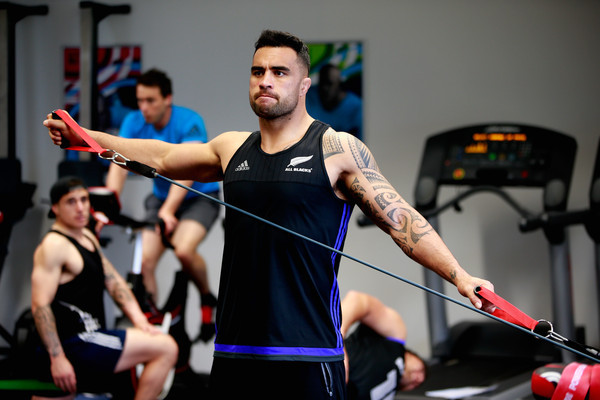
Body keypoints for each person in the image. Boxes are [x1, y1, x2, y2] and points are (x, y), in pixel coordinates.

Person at [44, 29, 496, 400]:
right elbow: (162, 157)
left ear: (303, 85)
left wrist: (459, 275)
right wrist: (86, 135)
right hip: (234, 350)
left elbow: (402, 221)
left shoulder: (336, 149)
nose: (266, 80)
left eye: (280, 72)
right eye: (258, 71)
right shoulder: (230, 147)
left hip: (307, 351)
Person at [30, 176, 178, 400]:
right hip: (73, 343)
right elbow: (40, 305)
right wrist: (57, 358)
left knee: (164, 346)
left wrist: (140, 321)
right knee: (166, 348)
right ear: (55, 208)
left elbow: (113, 281)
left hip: (87, 339)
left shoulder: (86, 236)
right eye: (71, 202)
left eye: (84, 200)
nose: (81, 208)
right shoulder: (53, 246)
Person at [102, 68, 220, 343]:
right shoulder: (133, 121)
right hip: (159, 198)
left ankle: (206, 297)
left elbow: (189, 169)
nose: (144, 108)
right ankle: (152, 323)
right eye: (140, 100)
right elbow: (118, 164)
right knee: (144, 262)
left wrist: (169, 210)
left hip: (197, 196)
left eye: (150, 101)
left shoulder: (189, 122)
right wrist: (108, 203)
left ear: (168, 98)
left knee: (184, 250)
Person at [341, 290, 426, 400]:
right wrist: (338, 342)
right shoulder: (396, 336)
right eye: (422, 370)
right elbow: (358, 300)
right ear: (411, 354)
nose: (419, 379)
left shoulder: (390, 391)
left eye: (417, 386)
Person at [306, 63, 363, 140]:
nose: (324, 88)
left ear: (339, 85)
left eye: (330, 84)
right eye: (322, 83)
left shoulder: (356, 107)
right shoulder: (307, 96)